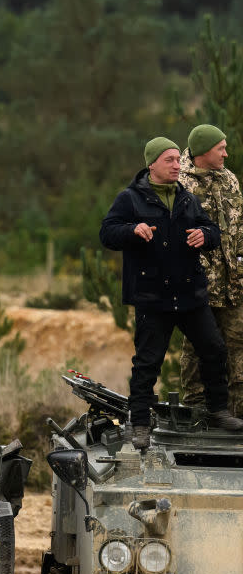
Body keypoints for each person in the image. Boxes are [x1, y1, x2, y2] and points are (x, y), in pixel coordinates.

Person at [100, 137, 243, 449]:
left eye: (179, 159)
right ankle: (139, 424)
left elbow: (214, 232)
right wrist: (132, 230)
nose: (178, 165)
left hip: (190, 293)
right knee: (147, 362)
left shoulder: (187, 198)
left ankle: (218, 410)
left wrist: (203, 235)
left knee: (214, 349)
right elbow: (107, 233)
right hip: (153, 297)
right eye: (170, 160)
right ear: (152, 164)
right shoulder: (130, 199)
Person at [178, 125, 243, 414]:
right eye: (221, 149)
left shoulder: (229, 180)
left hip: (234, 283)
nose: (226, 154)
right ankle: (196, 414)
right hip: (199, 286)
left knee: (238, 344)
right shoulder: (178, 185)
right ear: (204, 152)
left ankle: (236, 411)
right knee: (196, 349)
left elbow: (239, 227)